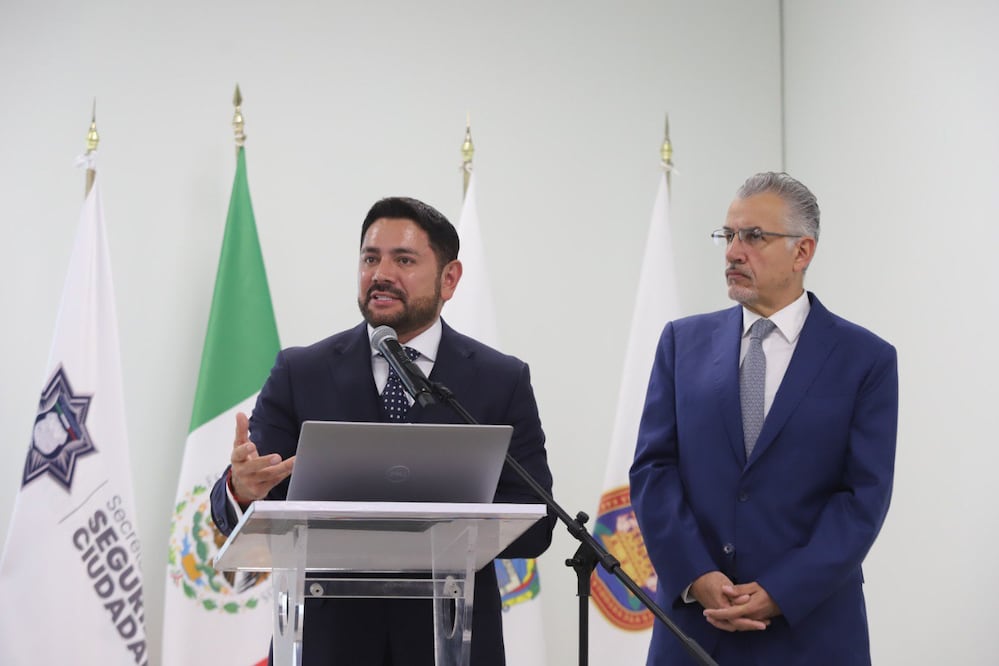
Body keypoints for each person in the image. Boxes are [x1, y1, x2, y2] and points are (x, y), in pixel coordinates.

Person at [210, 196, 555, 666]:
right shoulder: (301, 372)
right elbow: (235, 508)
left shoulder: (500, 380)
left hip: (450, 643)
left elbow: (537, 523)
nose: (381, 274)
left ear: (449, 278)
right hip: (329, 643)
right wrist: (241, 488)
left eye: (404, 260)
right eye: (370, 258)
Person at [630, 172, 898, 666]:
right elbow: (653, 471)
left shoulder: (865, 360)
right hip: (695, 629)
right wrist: (696, 575)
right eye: (728, 235)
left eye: (754, 236)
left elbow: (862, 499)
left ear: (802, 252)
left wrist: (782, 590)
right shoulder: (681, 344)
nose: (734, 252)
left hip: (810, 632)